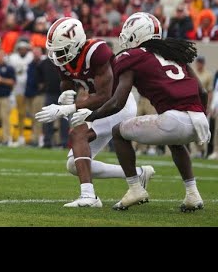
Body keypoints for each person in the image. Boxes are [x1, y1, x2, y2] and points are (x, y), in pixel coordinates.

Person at [70, 12, 210, 212]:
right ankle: (193, 194)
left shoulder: (132, 57)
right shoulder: (174, 54)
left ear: (137, 34)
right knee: (176, 144)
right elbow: (202, 92)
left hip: (173, 120)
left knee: (119, 131)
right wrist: (201, 117)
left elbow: (117, 102)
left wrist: (92, 116)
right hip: (198, 119)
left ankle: (135, 188)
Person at [35, 17, 154, 208]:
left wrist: (69, 108)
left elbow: (106, 96)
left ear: (76, 44)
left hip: (118, 104)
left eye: (62, 50)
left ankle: (89, 196)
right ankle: (139, 174)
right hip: (99, 106)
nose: (57, 56)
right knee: (74, 164)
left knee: (77, 134)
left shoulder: (97, 52)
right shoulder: (65, 57)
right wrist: (66, 91)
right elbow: (66, 78)